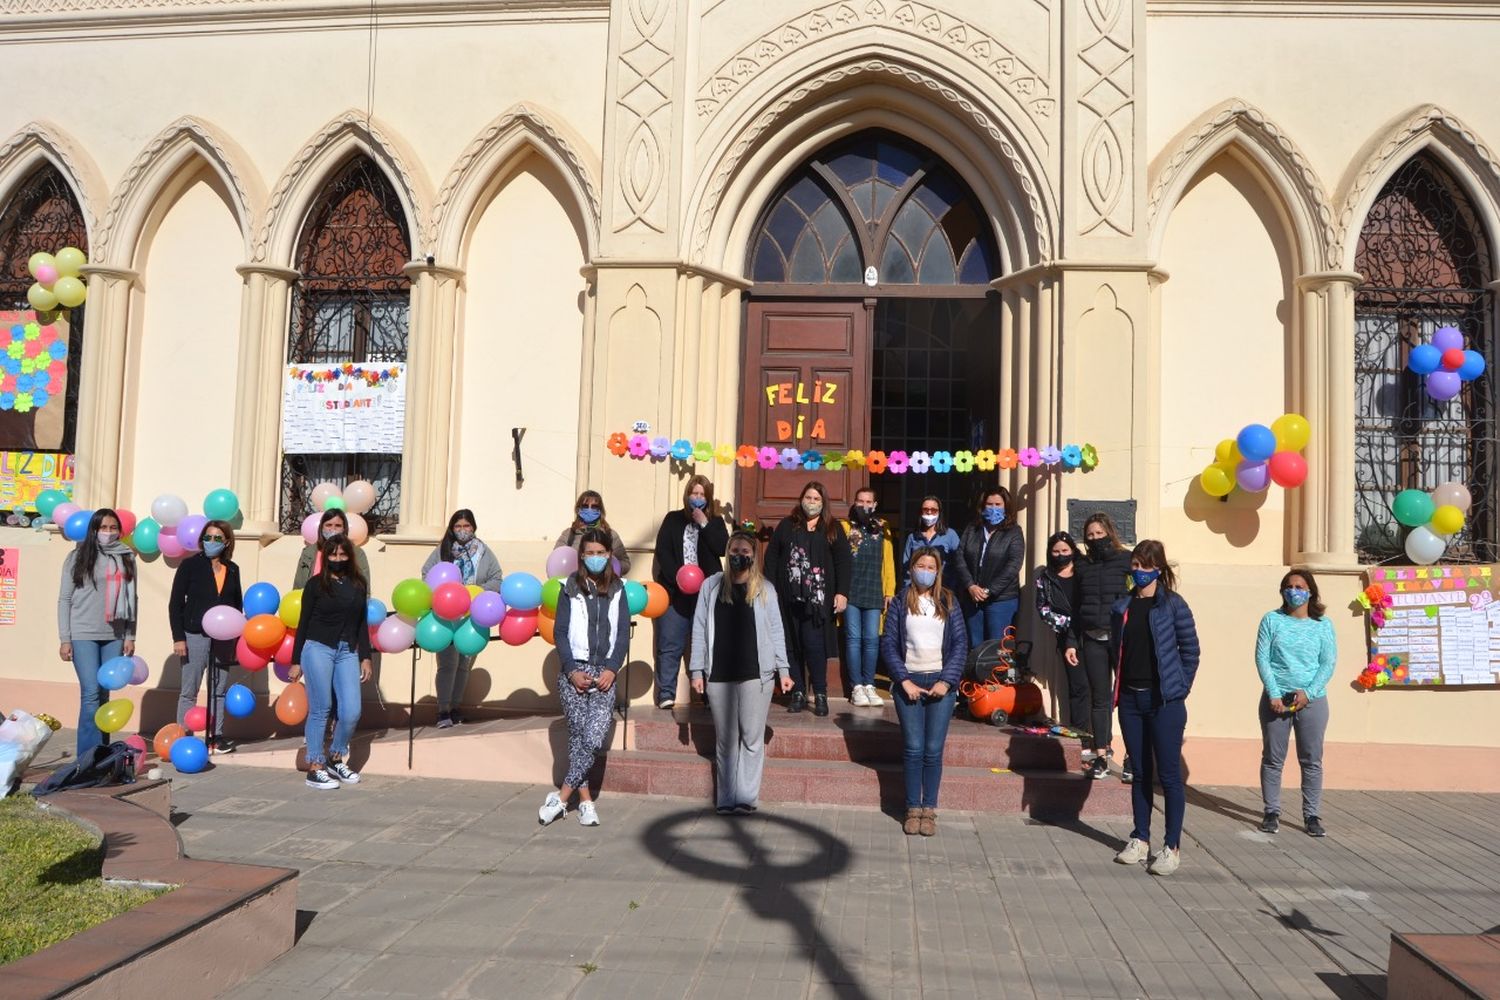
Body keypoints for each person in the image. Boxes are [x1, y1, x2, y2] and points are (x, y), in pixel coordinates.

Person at [1110, 540, 1199, 876]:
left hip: (1164, 702)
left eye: (1146, 566)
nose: (1139, 572)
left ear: (1159, 569)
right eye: (1135, 565)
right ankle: (1140, 838)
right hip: (1130, 701)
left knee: (1170, 776)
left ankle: (1171, 846)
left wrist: (1179, 689)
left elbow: (1191, 652)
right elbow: (1116, 652)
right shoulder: (1123, 608)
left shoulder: (1173, 605)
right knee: (1139, 773)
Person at [688, 530, 794, 814]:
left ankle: (746, 798)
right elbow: (699, 628)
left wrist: (783, 669)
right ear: (727, 552)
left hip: (755, 674)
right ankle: (726, 797)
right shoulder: (710, 587)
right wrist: (697, 669)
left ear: (754, 555)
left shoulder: (765, 589)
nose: (739, 556)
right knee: (725, 740)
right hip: (719, 674)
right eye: (735, 550)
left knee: (751, 737)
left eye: (745, 551)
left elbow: (776, 631)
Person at [540, 530, 629, 828]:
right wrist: (570, 670)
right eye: (589, 553)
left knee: (592, 737)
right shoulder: (569, 587)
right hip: (574, 671)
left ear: (609, 555)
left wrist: (612, 669)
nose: (595, 558)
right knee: (578, 737)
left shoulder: (618, 589)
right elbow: (560, 632)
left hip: (604, 672)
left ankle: (562, 797)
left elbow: (621, 636)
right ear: (581, 556)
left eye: (600, 552)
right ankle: (587, 802)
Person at [880, 547, 968, 837]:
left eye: (931, 567)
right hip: (910, 682)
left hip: (940, 682)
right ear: (912, 567)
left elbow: (959, 646)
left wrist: (946, 681)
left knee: (933, 750)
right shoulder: (900, 602)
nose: (926, 571)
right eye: (921, 565)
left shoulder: (949, 600)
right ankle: (912, 808)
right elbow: (889, 644)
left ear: (938, 571)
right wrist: (903, 680)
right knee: (913, 748)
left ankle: (929, 809)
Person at [1255, 568, 1336, 838]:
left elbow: (1328, 662)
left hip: (1311, 702)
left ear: (1310, 591)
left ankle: (1311, 815)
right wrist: (1274, 694)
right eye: (1289, 586)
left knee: (1311, 759)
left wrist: (1309, 693)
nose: (1294, 591)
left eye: (1300, 586)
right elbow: (1262, 658)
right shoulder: (1271, 620)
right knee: (1272, 759)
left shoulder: (1323, 625)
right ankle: (1271, 812)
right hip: (1276, 700)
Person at [288, 536, 372, 790]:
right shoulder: (315, 585)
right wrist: (295, 660)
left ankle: (335, 757)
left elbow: (361, 624)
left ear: (350, 557)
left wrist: (365, 656)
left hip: (347, 651)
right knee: (321, 708)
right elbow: (303, 624)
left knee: (351, 711)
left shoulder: (358, 584)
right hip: (318, 649)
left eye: (342, 555)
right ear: (326, 557)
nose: (337, 560)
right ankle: (315, 766)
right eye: (332, 555)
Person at [764, 481, 851, 717]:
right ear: (801, 499)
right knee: (791, 645)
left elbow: (844, 562)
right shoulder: (787, 526)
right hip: (788, 598)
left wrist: (842, 593)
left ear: (823, 503)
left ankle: (820, 693)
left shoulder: (833, 528)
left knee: (814, 645)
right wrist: (768, 590)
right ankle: (798, 692)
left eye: (816, 499)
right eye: (808, 498)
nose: (811, 503)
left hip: (818, 602)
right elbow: (772, 558)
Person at [57, 509, 137, 759]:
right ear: (94, 530)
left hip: (114, 634)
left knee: (104, 694)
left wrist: (130, 636)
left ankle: (102, 754)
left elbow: (132, 599)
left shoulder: (126, 557)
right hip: (83, 633)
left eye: (114, 528)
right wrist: (65, 638)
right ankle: (87, 757)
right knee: (90, 693)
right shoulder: (78, 556)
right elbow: (65, 599)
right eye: (104, 528)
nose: (109, 532)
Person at [1066, 513, 1134, 779]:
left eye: (1099, 533)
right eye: (1090, 535)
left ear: (1110, 532)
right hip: (1092, 639)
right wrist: (1071, 641)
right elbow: (1075, 606)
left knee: (1128, 698)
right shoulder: (1083, 566)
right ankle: (1102, 755)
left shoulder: (1127, 560)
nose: (1095, 539)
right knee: (1099, 699)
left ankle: (1132, 758)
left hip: (1121, 641)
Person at [651, 475, 728, 709]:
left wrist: (704, 523)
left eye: (702, 494)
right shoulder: (673, 519)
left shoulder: (715, 521)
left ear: (708, 498)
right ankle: (666, 693)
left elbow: (722, 549)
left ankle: (707, 694)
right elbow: (663, 551)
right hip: (676, 592)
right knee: (670, 643)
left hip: (706, 594)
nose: (697, 498)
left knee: (705, 644)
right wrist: (678, 578)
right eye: (693, 493)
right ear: (687, 495)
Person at [422, 509, 503, 728]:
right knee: (447, 664)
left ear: (474, 527)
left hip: (472, 617)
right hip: (446, 615)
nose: (462, 530)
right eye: (458, 526)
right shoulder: (442, 550)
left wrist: (475, 591)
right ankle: (443, 711)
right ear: (452, 528)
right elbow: (426, 574)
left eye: (466, 526)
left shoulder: (484, 552)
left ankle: (456, 707)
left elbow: (497, 578)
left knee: (464, 665)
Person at [167, 520, 244, 752]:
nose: (212, 542)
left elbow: (236, 604)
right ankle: (184, 736)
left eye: (218, 538)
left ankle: (215, 736)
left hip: (223, 637)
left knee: (219, 688)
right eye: (208, 537)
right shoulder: (189, 566)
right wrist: (178, 637)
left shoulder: (233, 569)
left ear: (227, 542)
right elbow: (175, 604)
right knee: (189, 689)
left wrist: (236, 638)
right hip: (194, 634)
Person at [839, 486, 895, 708]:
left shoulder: (883, 528)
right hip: (851, 591)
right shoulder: (844, 527)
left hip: (874, 590)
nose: (864, 505)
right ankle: (856, 687)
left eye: (868, 502)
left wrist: (890, 590)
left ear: (875, 505)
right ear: (854, 502)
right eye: (860, 501)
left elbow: (888, 561)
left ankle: (869, 684)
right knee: (854, 639)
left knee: (872, 640)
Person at [953, 486, 1024, 650]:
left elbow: (1013, 565)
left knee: (997, 647)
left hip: (1001, 599)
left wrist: (988, 591)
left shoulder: (1014, 532)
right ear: (983, 506)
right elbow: (960, 557)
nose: (993, 508)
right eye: (989, 504)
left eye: (998, 504)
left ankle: (997, 677)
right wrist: (970, 586)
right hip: (973, 598)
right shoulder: (972, 529)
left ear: (1006, 506)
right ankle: (975, 677)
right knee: (975, 646)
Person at [293, 508, 370, 589]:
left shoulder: (357, 553)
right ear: (321, 527)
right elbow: (298, 586)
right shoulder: (309, 552)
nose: (333, 529)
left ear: (344, 529)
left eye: (338, 526)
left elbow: (364, 587)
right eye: (328, 525)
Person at [556, 490, 631, 574]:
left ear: (601, 511)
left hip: (603, 585)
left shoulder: (610, 535)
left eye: (594, 507)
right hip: (574, 584)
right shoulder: (569, 534)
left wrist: (607, 566)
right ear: (578, 509)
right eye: (585, 506)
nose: (589, 509)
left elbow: (625, 563)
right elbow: (557, 559)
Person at [1034, 531, 1079, 655]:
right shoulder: (1045, 577)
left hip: (1090, 634)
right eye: (1056, 552)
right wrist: (1067, 624)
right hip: (1065, 634)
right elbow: (1042, 608)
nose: (1061, 555)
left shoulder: (1084, 571)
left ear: (1072, 550)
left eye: (1065, 551)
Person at [899, 495, 961, 584]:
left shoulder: (950, 535)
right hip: (918, 591)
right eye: (925, 509)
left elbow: (959, 563)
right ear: (920, 512)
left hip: (943, 589)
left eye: (933, 510)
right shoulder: (913, 537)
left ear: (939, 512)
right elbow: (906, 568)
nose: (929, 512)